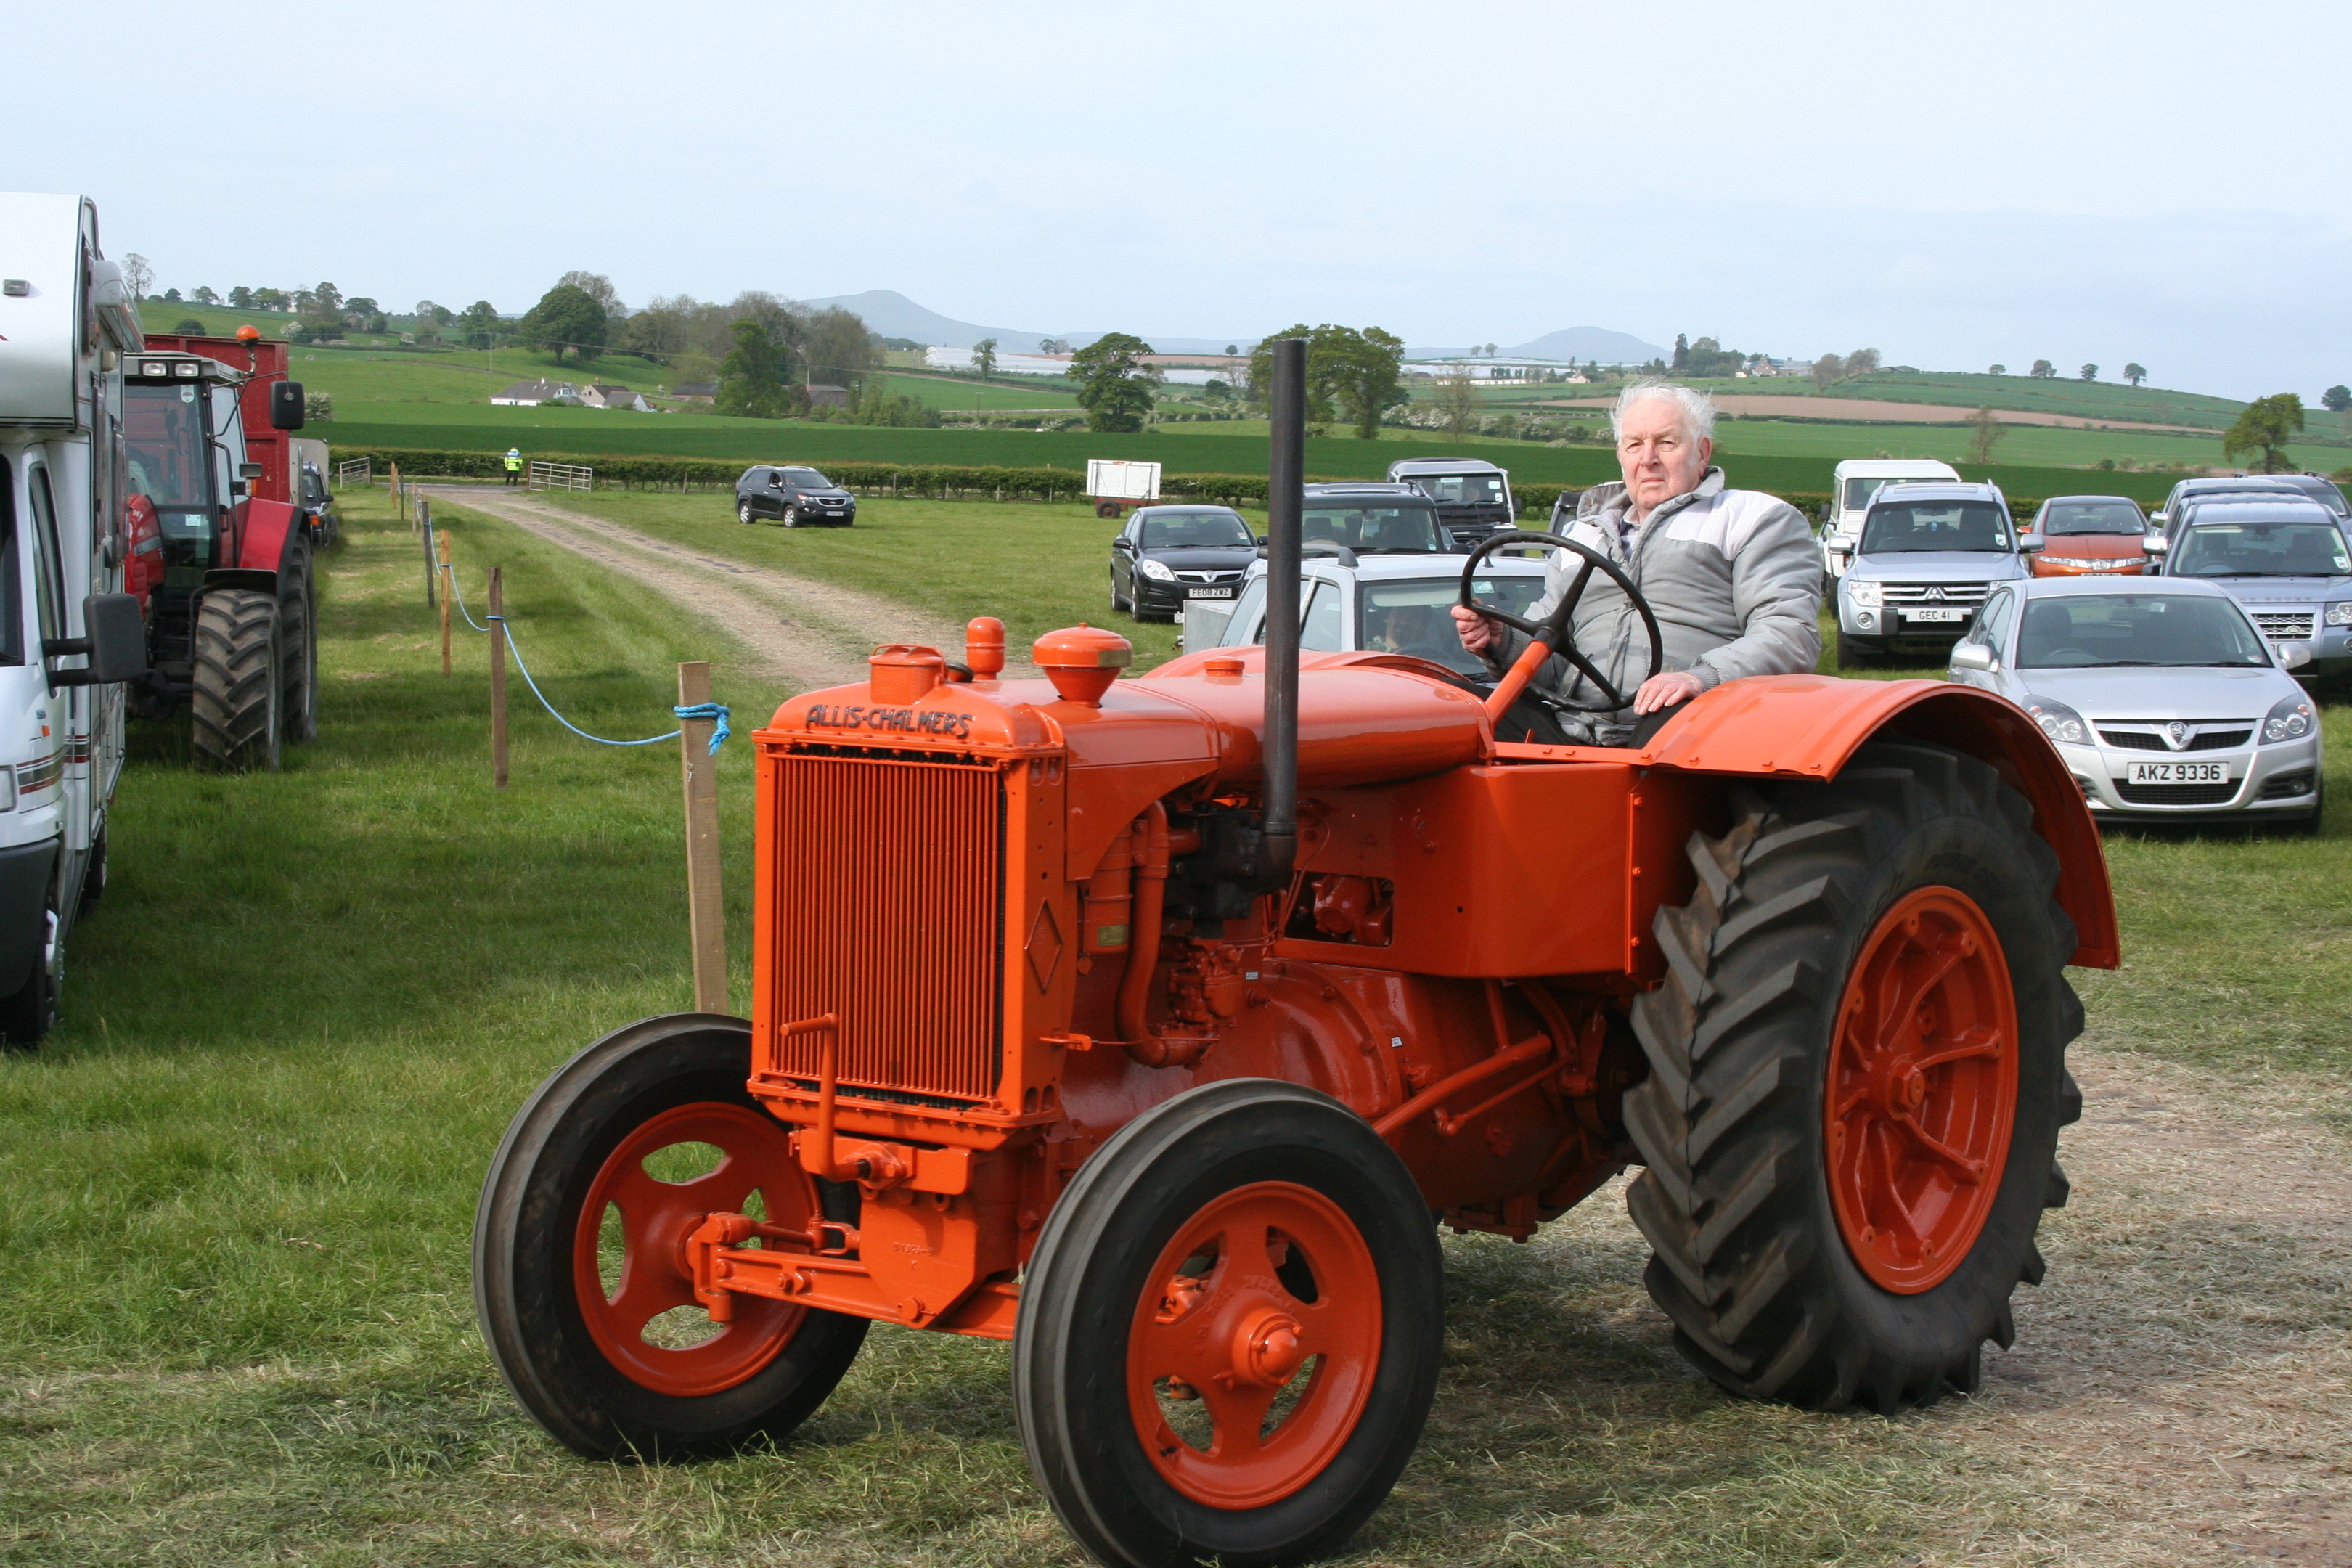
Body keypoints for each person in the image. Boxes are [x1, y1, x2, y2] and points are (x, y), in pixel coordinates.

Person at [1451, 380, 1821, 743]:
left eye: (1666, 442)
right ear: (1620, 454)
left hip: (1693, 722)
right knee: (1454, 709)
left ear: (1702, 452)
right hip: (1573, 729)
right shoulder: (1581, 536)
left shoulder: (1751, 518)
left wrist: (1700, 679)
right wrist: (1501, 640)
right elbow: (1551, 657)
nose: (1648, 459)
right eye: (1634, 444)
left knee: (1669, 717)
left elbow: (1789, 632)